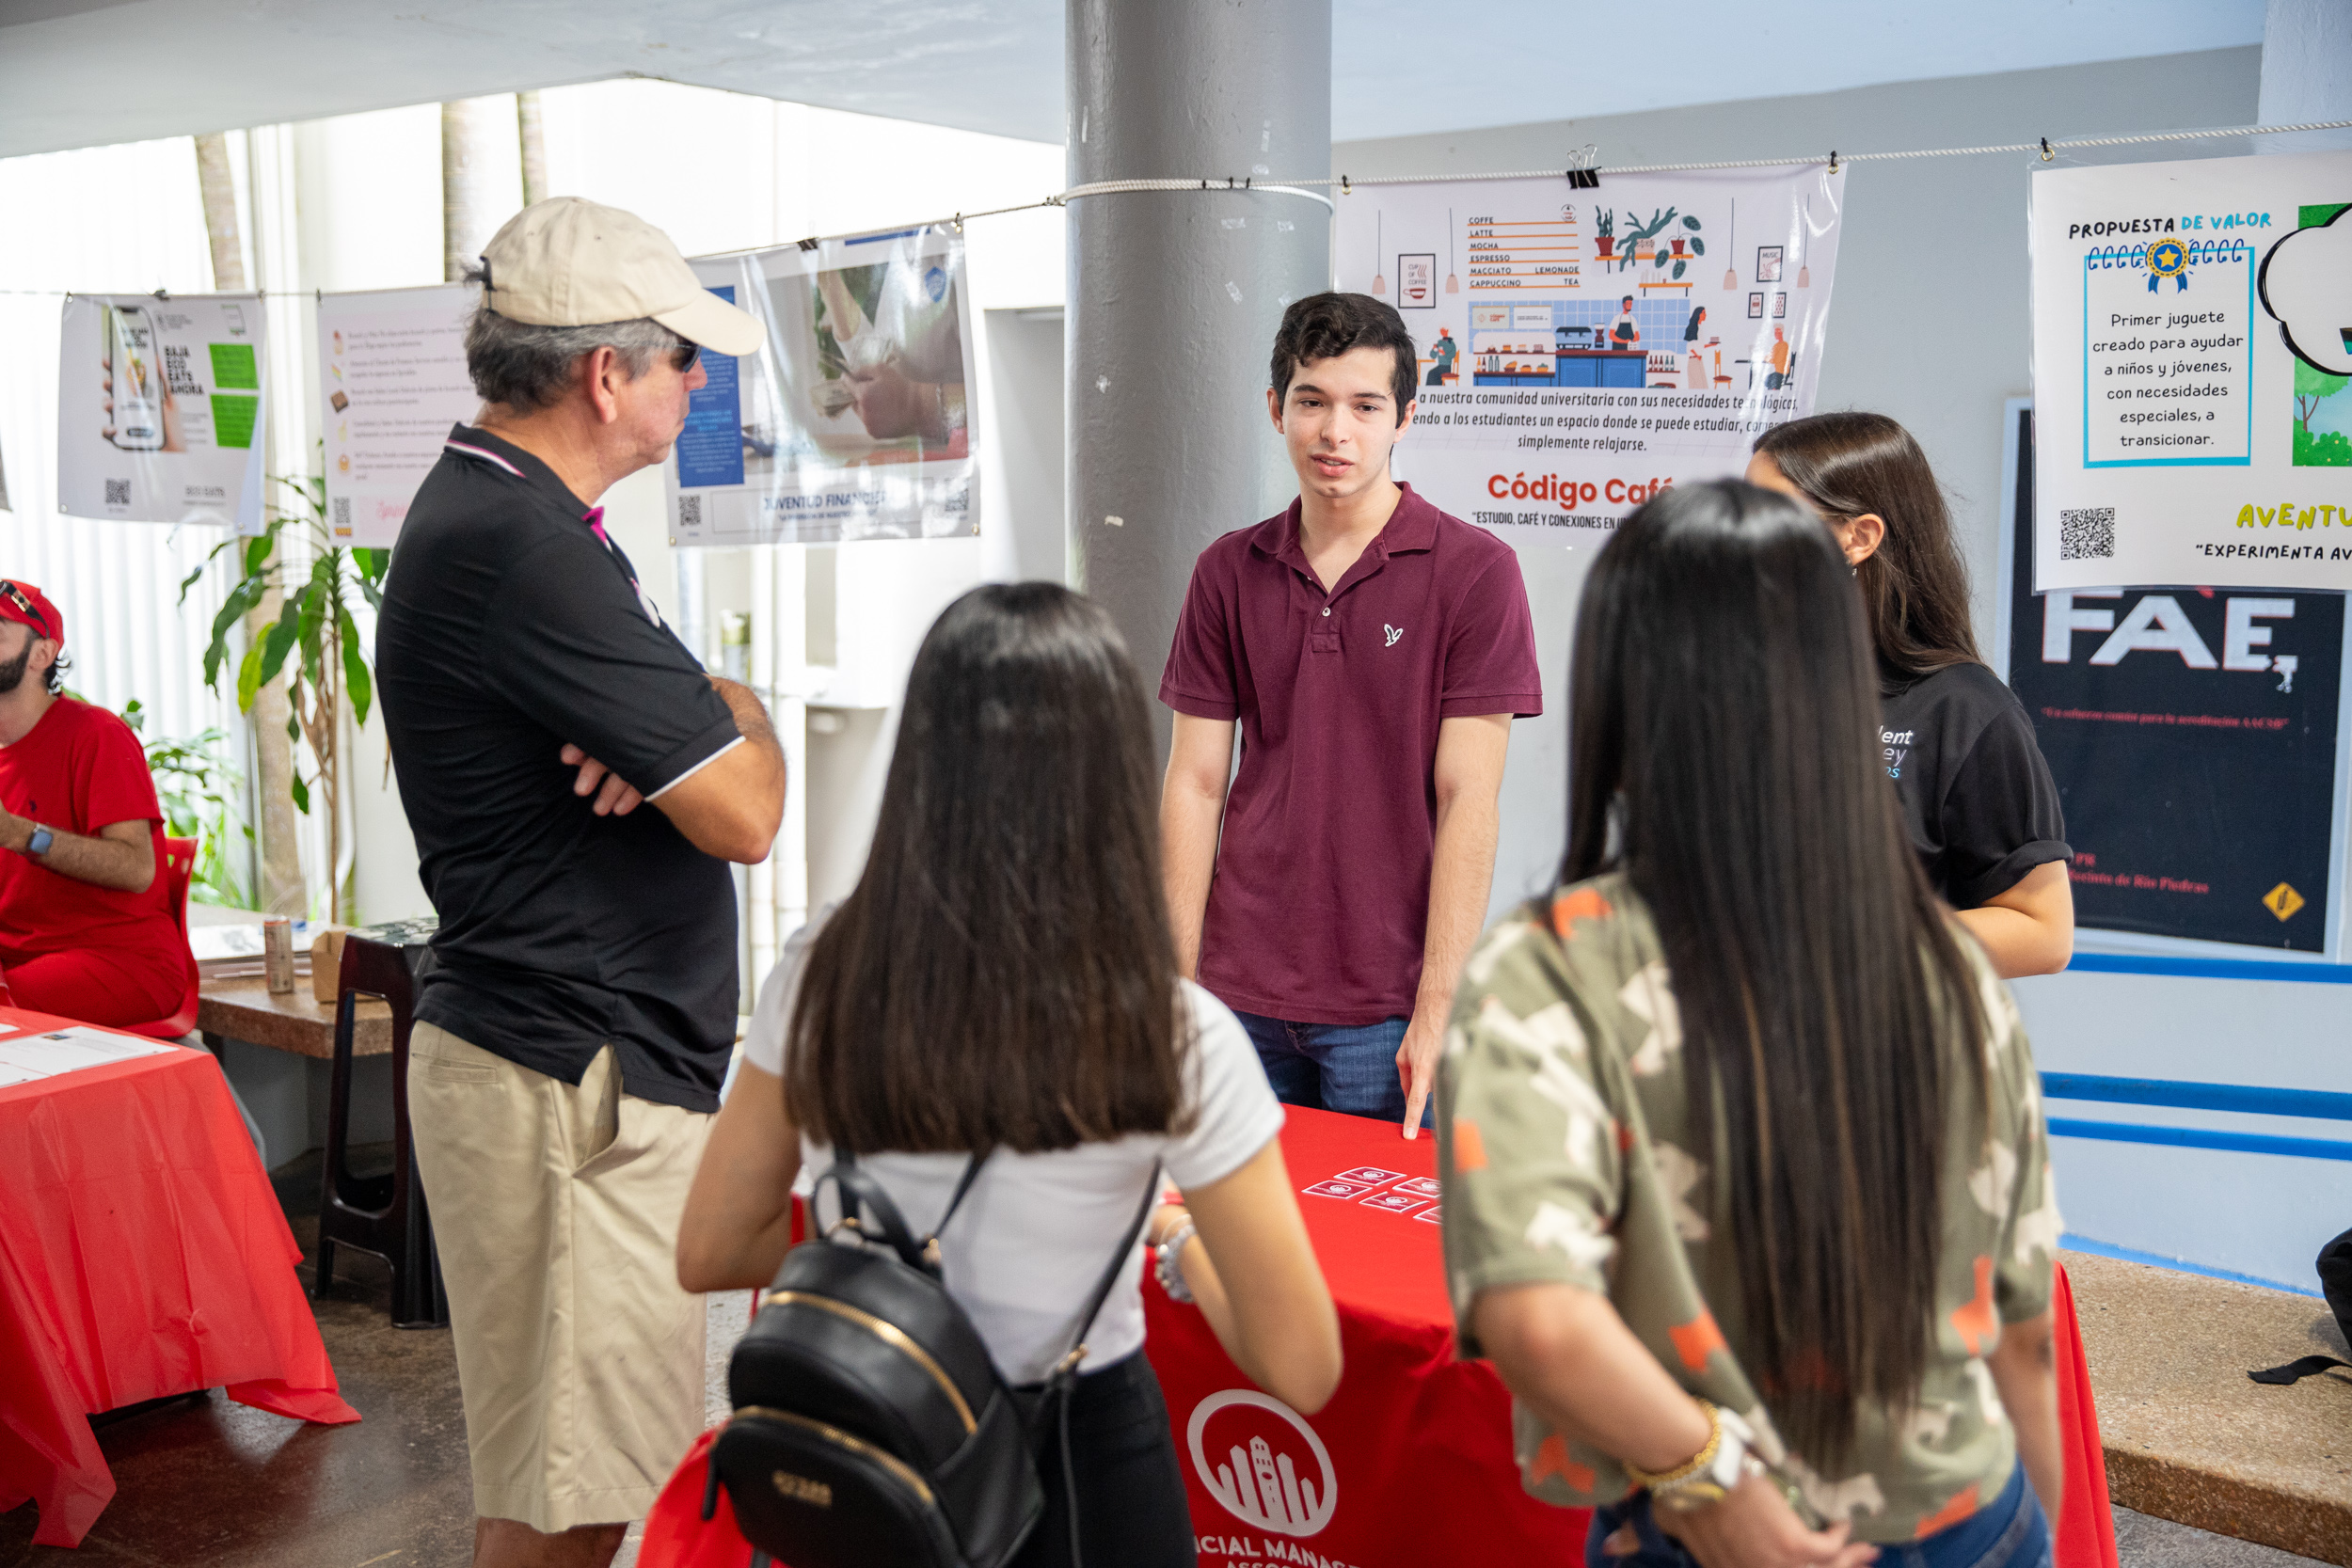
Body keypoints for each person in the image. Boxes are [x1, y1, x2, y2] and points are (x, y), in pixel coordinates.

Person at [1440, 480, 2062, 1568]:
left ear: (1621, 693)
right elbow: (2023, 1335)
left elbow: (1537, 1316)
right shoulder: (1947, 965)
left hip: (1711, 1533)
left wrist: (1700, 1473)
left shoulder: (1550, 968)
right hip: (1973, 1513)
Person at [677, 582, 1342, 1568]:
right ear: (1114, 776)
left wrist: (896, 1263)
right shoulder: (1175, 1035)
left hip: (872, 1438)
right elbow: (1301, 1363)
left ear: (923, 763)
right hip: (1080, 1468)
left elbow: (713, 1245)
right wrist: (1175, 1235)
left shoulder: (823, 969)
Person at [375, 197, 786, 1568]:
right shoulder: (527, 551)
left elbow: (707, 726)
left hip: (572, 1069)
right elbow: (743, 808)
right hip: (570, 1081)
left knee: (567, 1479)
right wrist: (742, 721)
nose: (697, 382)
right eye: (682, 357)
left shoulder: (519, 517)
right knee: (579, 1500)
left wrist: (715, 698)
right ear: (604, 376)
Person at [1159, 292, 1542, 1137]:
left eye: (1366, 406)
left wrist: (1440, 1000)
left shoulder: (1476, 573)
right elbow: (1192, 783)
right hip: (1234, 992)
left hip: (1387, 1003)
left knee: (1376, 1259)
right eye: (1312, 401)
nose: (1337, 431)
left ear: (1406, 415)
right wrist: (1175, 981)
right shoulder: (1227, 571)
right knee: (1236, 1251)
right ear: (1276, 408)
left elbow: (1469, 799)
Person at [1749, 412, 2074, 977]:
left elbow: (2043, 935)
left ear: (1859, 537)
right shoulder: (1740, 682)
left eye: (1765, 517)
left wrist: (1848, 939)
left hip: (1873, 1053)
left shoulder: (1963, 709)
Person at [0, 581, 185, 1028]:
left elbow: (136, 868)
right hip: (19, 960)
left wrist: (19, 833)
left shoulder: (97, 735)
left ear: (41, 655)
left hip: (121, 960)